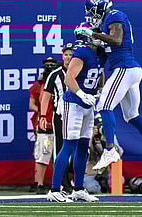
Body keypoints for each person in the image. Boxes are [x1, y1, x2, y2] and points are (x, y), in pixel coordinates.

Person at [75, 0, 142, 177]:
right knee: (131, 115)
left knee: (104, 105)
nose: (91, 16)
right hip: (130, 70)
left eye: (92, 12)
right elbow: (104, 50)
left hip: (125, 68)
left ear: (100, 8)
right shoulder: (107, 22)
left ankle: (110, 149)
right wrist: (93, 39)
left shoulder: (114, 15)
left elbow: (117, 39)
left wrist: (94, 34)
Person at [46, 22, 106, 203]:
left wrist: (100, 90)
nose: (99, 36)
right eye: (95, 34)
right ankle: (55, 189)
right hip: (73, 103)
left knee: (83, 147)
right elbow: (69, 78)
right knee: (69, 145)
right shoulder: (81, 52)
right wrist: (80, 93)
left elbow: (99, 73)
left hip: (88, 104)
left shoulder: (100, 53)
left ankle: (78, 188)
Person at [39, 43, 73, 194]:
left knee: (80, 149)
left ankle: (75, 183)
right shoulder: (55, 74)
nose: (68, 57)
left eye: (71, 54)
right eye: (66, 54)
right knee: (60, 150)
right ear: (62, 56)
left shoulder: (80, 71)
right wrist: (42, 114)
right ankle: (61, 184)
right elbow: (46, 95)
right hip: (60, 116)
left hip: (77, 115)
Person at [28, 57, 59, 194]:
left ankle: (61, 184)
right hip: (45, 126)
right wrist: (42, 113)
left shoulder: (61, 81)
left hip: (59, 124)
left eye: (52, 64)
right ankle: (39, 183)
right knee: (43, 153)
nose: (50, 67)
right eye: (47, 65)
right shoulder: (38, 85)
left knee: (61, 155)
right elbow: (32, 104)